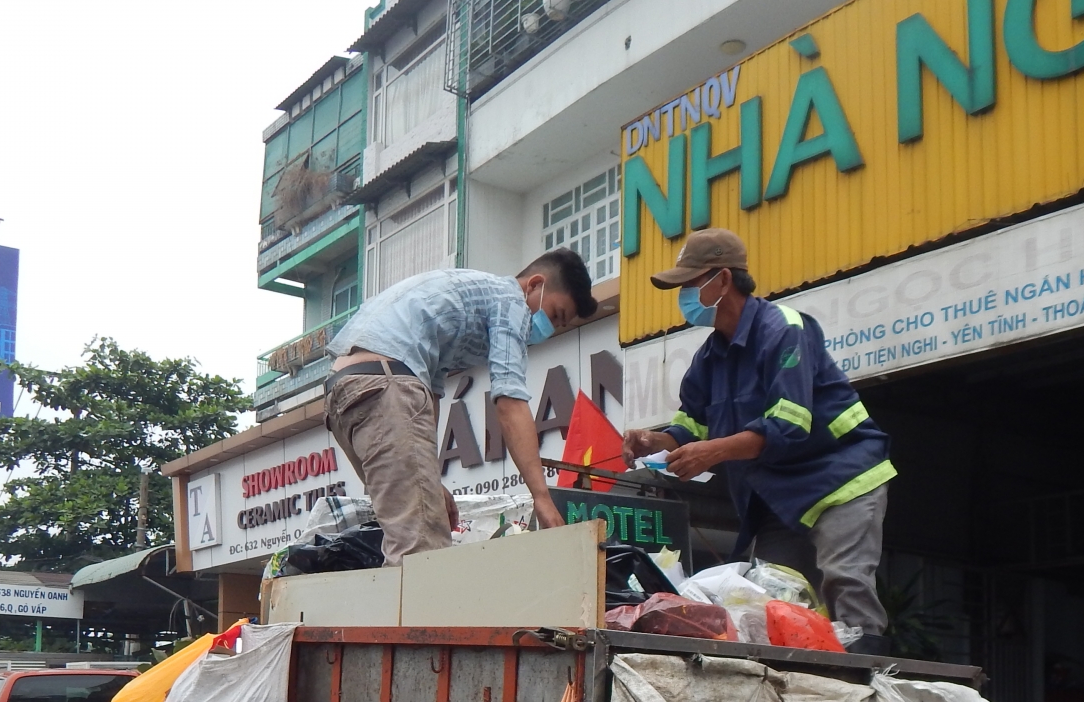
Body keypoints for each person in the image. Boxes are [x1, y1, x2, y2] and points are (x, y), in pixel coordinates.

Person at [624, 229, 896, 653]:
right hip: (777, 495)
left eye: (690, 285)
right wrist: (651, 440)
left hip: (842, 479)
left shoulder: (785, 329)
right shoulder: (708, 358)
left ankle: (869, 686)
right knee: (775, 598)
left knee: (846, 580)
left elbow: (789, 424)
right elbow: (689, 426)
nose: (684, 297)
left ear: (723, 280)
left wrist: (711, 451)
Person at [324, 250, 597, 563]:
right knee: (421, 553)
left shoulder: (464, 296)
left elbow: (429, 396)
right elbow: (510, 402)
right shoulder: (510, 302)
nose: (547, 329)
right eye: (554, 315)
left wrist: (432, 478)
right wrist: (542, 497)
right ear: (534, 285)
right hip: (386, 386)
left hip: (344, 391)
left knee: (406, 532)